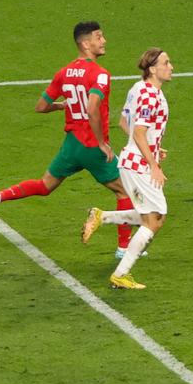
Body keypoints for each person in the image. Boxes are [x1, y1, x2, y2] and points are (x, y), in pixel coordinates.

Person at [0, 21, 134, 253]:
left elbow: (41, 106)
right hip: (90, 145)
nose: (104, 41)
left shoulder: (63, 73)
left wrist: (61, 107)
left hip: (72, 145)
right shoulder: (101, 75)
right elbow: (92, 109)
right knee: (125, 191)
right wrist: (101, 143)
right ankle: (123, 249)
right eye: (99, 37)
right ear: (86, 44)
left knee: (45, 185)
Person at [81, 48, 173, 289]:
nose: (171, 66)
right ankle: (121, 274)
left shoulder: (137, 88)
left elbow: (125, 123)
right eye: (166, 62)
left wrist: (153, 147)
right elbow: (139, 131)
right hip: (139, 165)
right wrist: (153, 163)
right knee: (155, 219)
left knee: (149, 215)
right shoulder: (151, 95)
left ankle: (103, 216)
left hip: (132, 159)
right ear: (153, 69)